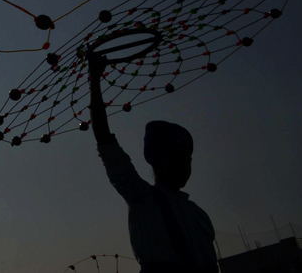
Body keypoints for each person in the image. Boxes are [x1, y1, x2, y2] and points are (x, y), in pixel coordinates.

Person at [87, 55, 218, 273]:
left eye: (187, 160)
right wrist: (95, 78)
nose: (184, 166)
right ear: (157, 160)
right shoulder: (141, 197)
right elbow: (104, 138)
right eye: (176, 158)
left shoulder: (198, 214)